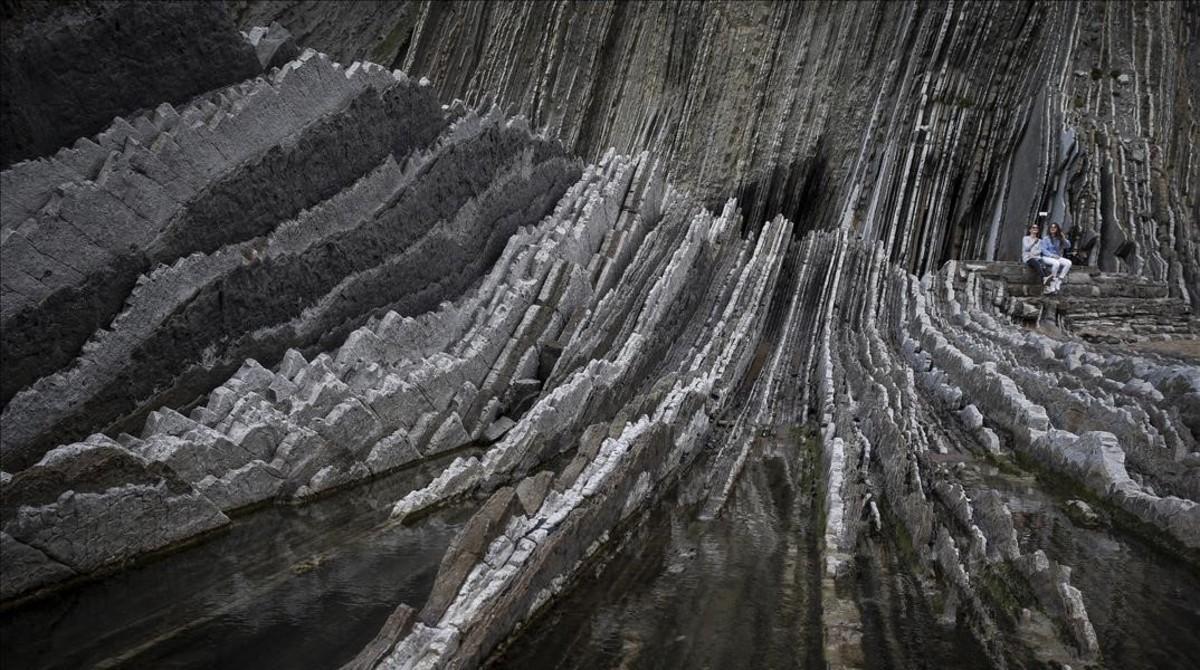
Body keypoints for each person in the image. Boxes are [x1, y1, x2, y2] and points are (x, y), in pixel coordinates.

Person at [1022, 221, 1061, 294]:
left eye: (1036, 228)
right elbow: (1026, 248)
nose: (1035, 229)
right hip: (1028, 258)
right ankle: (1044, 279)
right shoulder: (1026, 238)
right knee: (1037, 264)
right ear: (1030, 230)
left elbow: (1040, 250)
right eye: (1033, 227)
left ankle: (1046, 285)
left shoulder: (1040, 240)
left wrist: (1034, 254)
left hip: (1036, 257)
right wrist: (1033, 243)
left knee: (1043, 267)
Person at [1041, 222, 1072, 293]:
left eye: (1054, 227)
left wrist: (1063, 238)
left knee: (1068, 263)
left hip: (1056, 257)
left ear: (1057, 229)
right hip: (1046, 257)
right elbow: (1043, 250)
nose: (1052, 228)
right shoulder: (1046, 238)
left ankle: (1059, 280)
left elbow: (1068, 246)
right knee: (1056, 263)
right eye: (1051, 227)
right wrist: (1052, 256)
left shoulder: (1059, 239)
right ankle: (1052, 282)